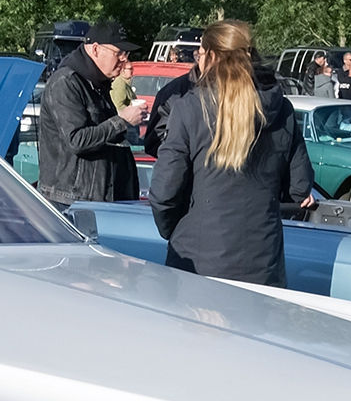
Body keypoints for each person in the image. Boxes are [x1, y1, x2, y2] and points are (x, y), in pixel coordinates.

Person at [148, 20, 314, 285]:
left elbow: (164, 192)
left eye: (199, 54)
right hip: (264, 261)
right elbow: (299, 187)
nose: (197, 61)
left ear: (211, 56)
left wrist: (174, 231)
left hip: (198, 262)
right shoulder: (281, 109)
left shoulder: (190, 108)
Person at [35, 21, 145, 205]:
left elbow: (107, 138)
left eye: (126, 54)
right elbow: (77, 140)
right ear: (95, 49)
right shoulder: (66, 83)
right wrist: (122, 120)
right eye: (118, 53)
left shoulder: (98, 83)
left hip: (102, 199)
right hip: (71, 203)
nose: (124, 60)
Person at [144, 49, 200, 158]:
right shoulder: (174, 93)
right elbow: (155, 142)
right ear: (199, 57)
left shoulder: (240, 91)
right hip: (189, 170)